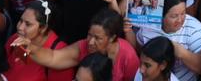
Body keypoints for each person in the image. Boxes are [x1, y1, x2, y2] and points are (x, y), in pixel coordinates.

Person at [12, 9, 140, 81]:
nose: (90, 42)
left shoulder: (128, 56)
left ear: (112, 38)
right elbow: (53, 58)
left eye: (98, 38)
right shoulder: (83, 45)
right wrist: (29, 47)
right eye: (89, 35)